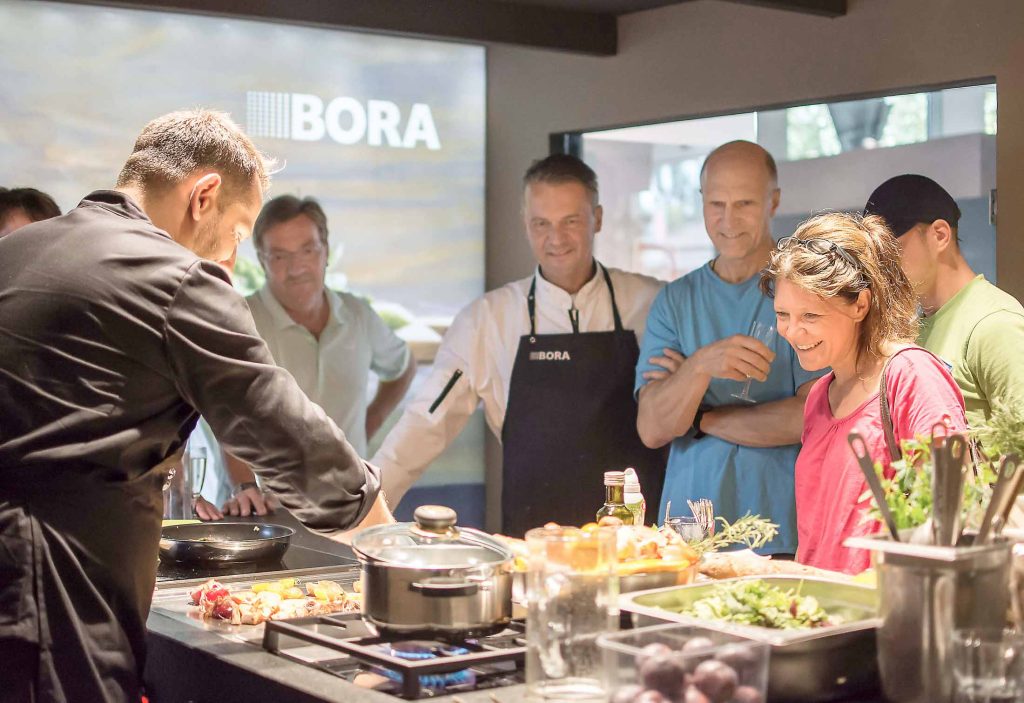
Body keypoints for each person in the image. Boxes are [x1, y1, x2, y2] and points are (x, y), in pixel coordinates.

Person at [0, 110, 390, 702]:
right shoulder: (174, 277)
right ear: (203, 196)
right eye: (238, 232)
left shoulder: (21, 249)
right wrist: (389, 543)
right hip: (49, 598)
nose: (233, 254)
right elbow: (282, 429)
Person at [373, 153, 665, 535]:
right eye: (541, 223)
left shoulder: (652, 303)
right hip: (535, 543)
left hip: (639, 541)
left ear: (598, 218)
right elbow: (424, 425)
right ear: (525, 225)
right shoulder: (486, 321)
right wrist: (360, 511)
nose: (555, 238)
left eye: (571, 222)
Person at [635, 140, 820, 556]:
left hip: (781, 532)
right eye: (716, 203)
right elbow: (652, 427)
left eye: (744, 203)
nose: (728, 219)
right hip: (686, 537)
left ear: (773, 202)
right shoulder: (675, 301)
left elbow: (812, 418)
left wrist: (702, 419)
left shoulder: (805, 291)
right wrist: (702, 365)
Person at [761, 212, 967, 574]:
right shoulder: (819, 397)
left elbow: (950, 511)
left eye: (810, 316)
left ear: (860, 304)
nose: (792, 332)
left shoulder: (911, 376)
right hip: (823, 612)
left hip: (887, 613)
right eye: (783, 314)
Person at [195, 195, 416, 519]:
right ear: (262, 259)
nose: (296, 268)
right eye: (280, 256)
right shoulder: (240, 319)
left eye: (307, 251)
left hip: (352, 508)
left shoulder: (359, 316)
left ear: (325, 251)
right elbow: (225, 414)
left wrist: (374, 419)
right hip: (264, 514)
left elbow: (403, 366)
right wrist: (244, 486)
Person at [863, 174, 1024, 425]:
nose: (884, 266)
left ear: (940, 235)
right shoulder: (912, 328)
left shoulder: (994, 324)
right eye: (877, 255)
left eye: (893, 250)